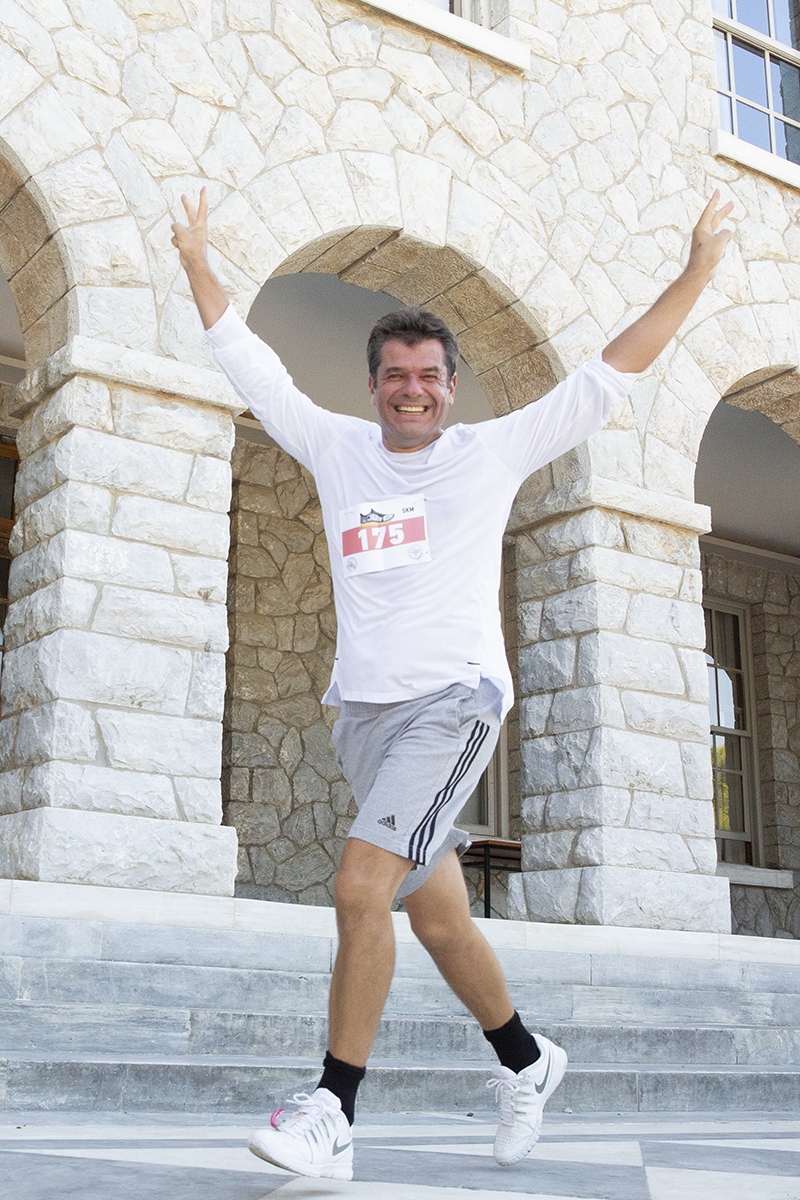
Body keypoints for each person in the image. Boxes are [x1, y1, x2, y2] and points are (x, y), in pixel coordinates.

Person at [172, 190, 734, 1182]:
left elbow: (611, 370)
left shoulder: (490, 451)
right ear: (373, 385)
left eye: (428, 376)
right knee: (435, 916)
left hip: (453, 704)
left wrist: (694, 272)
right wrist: (196, 263)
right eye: (395, 376)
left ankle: (333, 1112)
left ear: (451, 385)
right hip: (362, 718)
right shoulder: (337, 446)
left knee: (359, 885)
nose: (412, 391)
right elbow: (247, 361)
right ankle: (525, 1059)